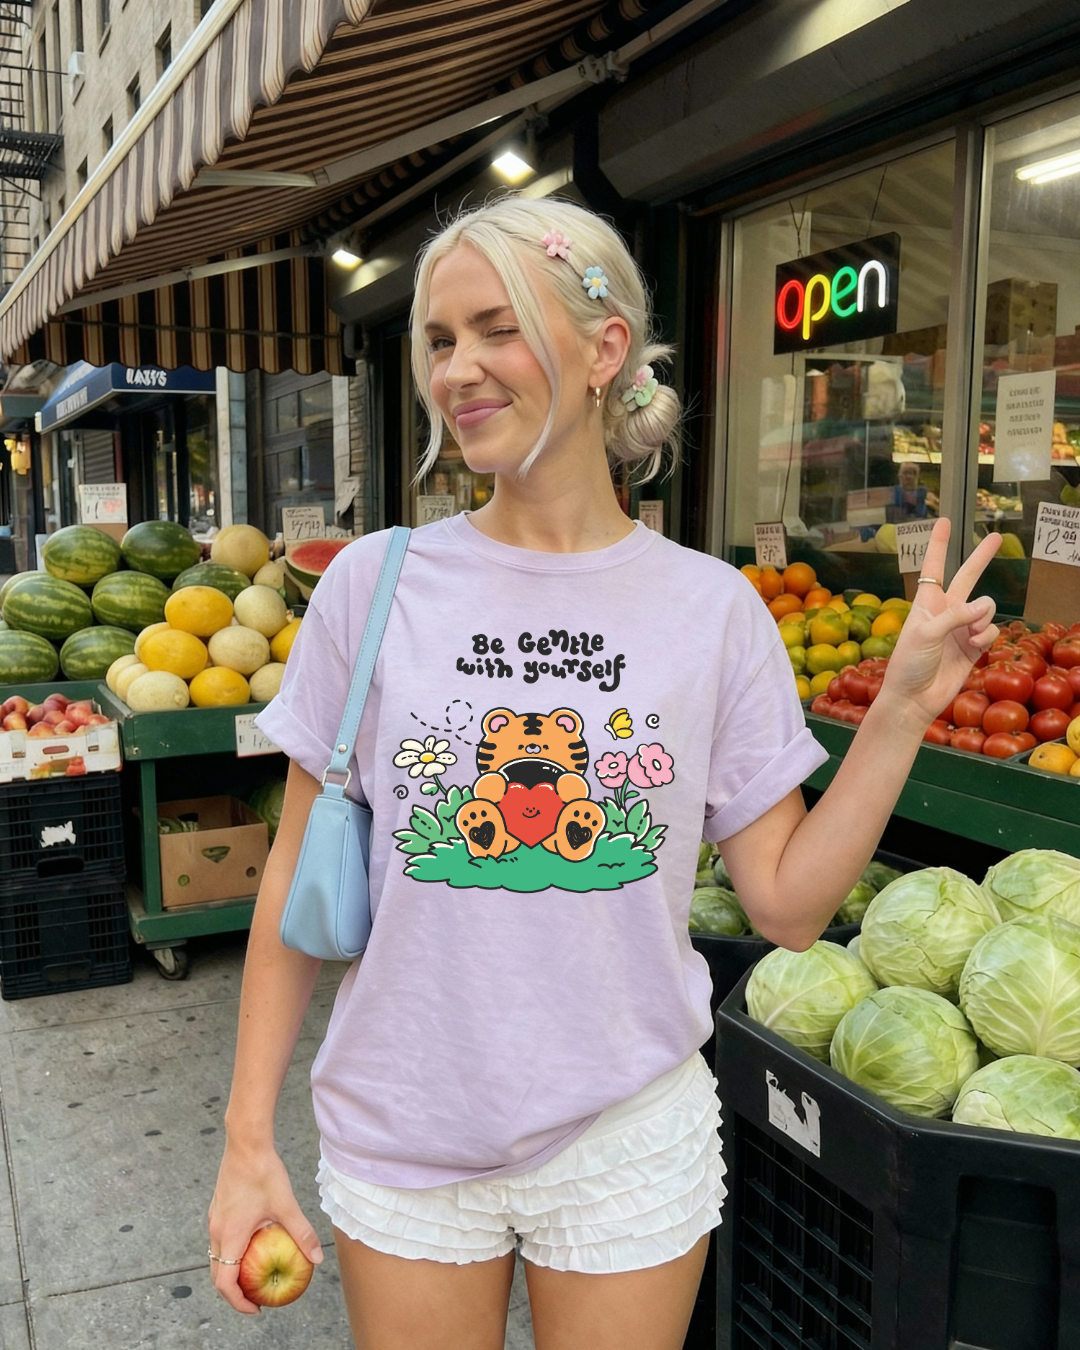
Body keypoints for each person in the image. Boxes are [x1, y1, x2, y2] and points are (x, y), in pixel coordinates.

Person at [208, 196, 1001, 1349]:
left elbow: (786, 907)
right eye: (440, 340)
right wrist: (246, 1142)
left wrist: (900, 714)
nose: (458, 370)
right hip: (407, 1119)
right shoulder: (373, 586)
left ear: (604, 349)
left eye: (497, 329)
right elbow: (290, 877)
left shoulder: (711, 608)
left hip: (626, 1138)